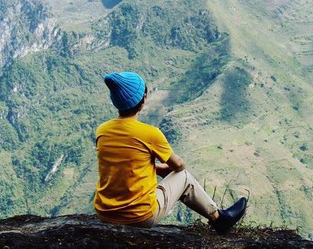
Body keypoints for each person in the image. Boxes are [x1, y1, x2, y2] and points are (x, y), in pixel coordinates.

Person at [94, 71, 247, 234]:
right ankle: (220, 219)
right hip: (139, 217)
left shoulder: (102, 131)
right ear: (143, 100)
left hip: (105, 214)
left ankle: (219, 217)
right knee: (184, 177)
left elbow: (124, 164)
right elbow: (179, 166)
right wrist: (163, 169)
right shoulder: (149, 133)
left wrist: (154, 168)